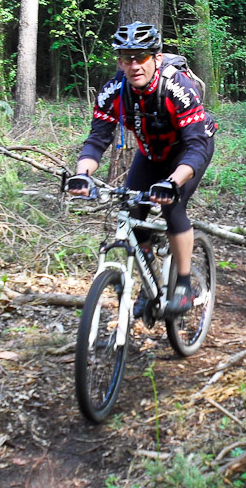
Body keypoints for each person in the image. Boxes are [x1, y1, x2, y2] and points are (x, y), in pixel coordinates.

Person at [68, 21, 217, 316]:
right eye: (127, 58)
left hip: (188, 152)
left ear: (156, 58)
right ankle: (149, 279)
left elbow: (196, 147)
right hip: (151, 153)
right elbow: (97, 139)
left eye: (141, 57)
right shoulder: (113, 91)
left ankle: (184, 284)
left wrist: (172, 182)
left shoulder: (178, 87)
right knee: (133, 212)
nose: (134, 65)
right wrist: (82, 174)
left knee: (172, 208)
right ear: (120, 62)